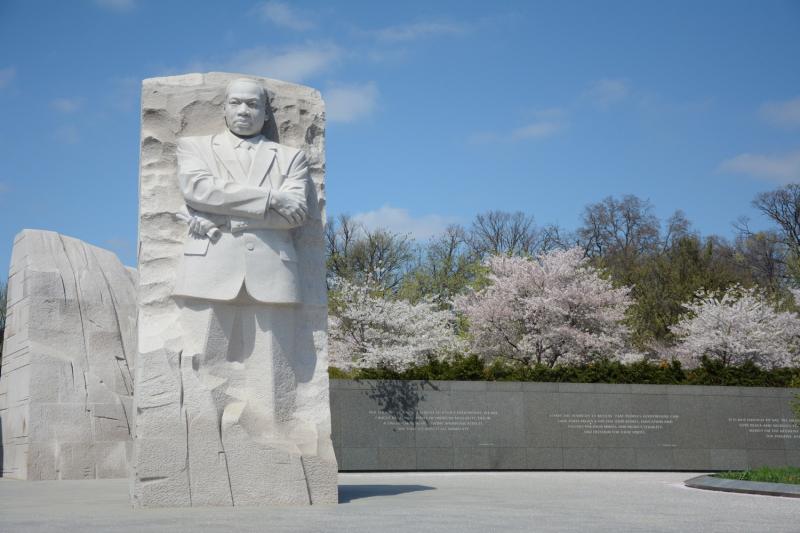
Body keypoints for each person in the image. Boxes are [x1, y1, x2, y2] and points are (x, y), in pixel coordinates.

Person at [171, 79, 317, 504]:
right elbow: (197, 190)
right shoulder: (196, 148)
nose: (244, 111)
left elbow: (296, 216)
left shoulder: (291, 156)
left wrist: (222, 211)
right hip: (209, 267)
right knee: (201, 359)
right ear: (223, 108)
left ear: (266, 112)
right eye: (235, 103)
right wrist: (268, 199)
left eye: (253, 104)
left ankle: (276, 450)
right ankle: (198, 452)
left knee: (274, 368)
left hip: (273, 270)